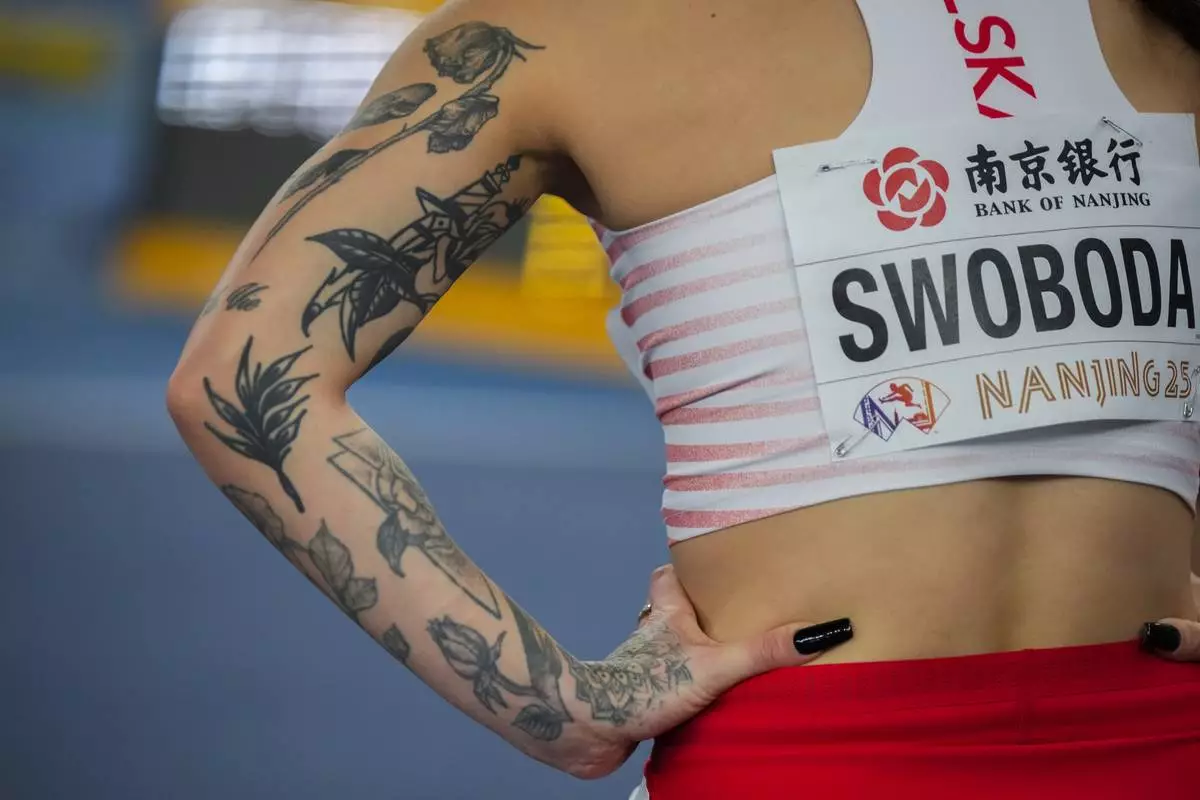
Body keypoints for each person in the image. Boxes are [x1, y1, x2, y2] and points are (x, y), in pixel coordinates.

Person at [166, 0, 1200, 795]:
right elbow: (240, 381)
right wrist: (558, 704)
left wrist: (560, 710)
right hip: (840, 752)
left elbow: (241, 375)